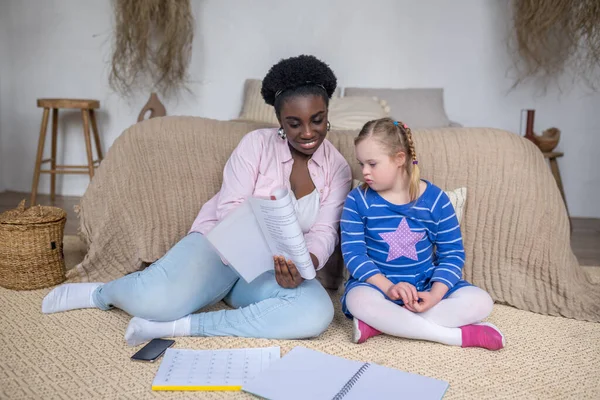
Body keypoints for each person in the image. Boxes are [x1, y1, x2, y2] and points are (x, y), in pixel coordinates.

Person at [42, 55, 352, 346]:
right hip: (219, 250)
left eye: (317, 120)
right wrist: (261, 253)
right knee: (155, 302)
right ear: (280, 121)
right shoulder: (256, 145)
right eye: (294, 123)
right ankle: (100, 294)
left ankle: (182, 327)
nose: (308, 132)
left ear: (327, 115)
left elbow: (324, 232)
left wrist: (303, 265)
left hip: (273, 271)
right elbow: (230, 209)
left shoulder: (337, 168)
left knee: (316, 312)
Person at [340, 118, 505, 350]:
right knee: (356, 301)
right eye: (361, 164)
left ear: (399, 159)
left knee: (481, 303)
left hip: (426, 286)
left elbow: (452, 254)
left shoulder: (436, 200)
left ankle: (382, 325)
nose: (364, 171)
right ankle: (455, 337)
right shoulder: (358, 200)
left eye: (372, 164)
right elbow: (354, 254)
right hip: (377, 286)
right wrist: (388, 287)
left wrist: (436, 295)